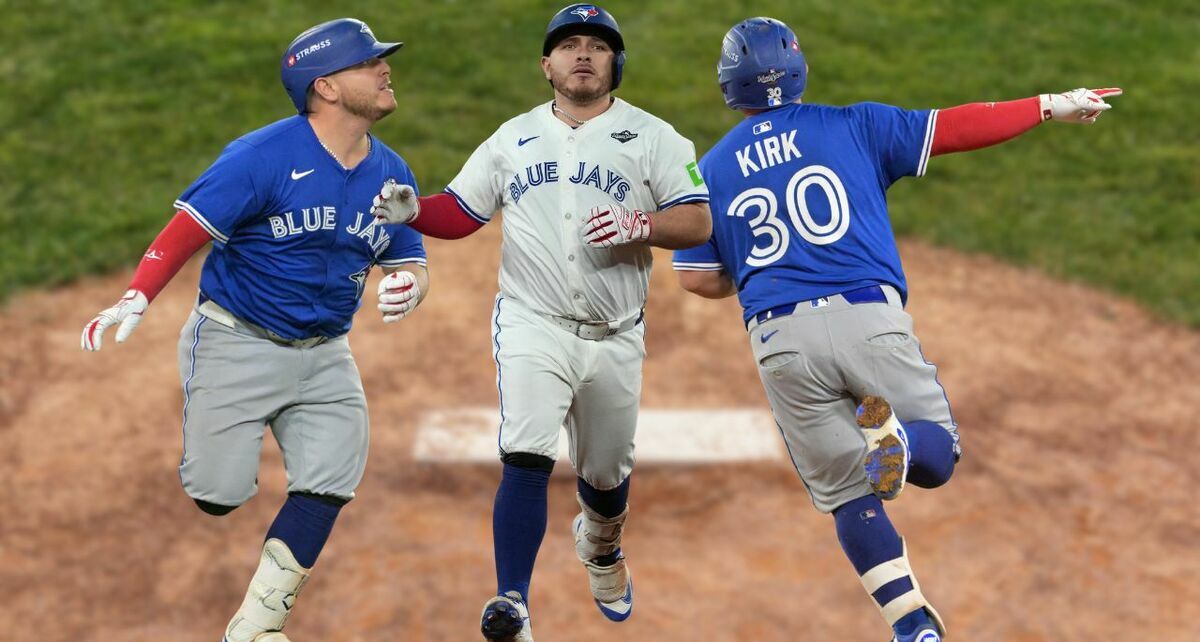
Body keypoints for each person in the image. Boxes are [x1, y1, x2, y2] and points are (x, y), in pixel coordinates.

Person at [672, 16, 1120, 642]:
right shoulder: (856, 124)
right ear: (797, 69)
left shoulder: (708, 169)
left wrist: (754, 270)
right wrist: (1052, 105)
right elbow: (956, 128)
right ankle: (901, 441)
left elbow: (697, 276)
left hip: (780, 345)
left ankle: (911, 625)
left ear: (730, 85)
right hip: (867, 320)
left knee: (848, 497)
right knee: (937, 458)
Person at [80, 18, 429, 642]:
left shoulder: (390, 169)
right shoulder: (261, 157)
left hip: (326, 352)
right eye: (368, 63)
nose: (385, 70)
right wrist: (138, 294)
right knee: (218, 495)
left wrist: (409, 283)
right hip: (237, 341)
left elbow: (405, 254)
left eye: (382, 60)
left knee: (332, 477)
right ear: (324, 86)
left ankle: (257, 626)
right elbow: (187, 230)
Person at [370, 4, 710, 640]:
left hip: (615, 334)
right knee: (525, 453)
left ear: (616, 63)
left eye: (598, 47)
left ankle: (601, 548)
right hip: (533, 322)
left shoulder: (657, 138)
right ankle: (512, 603)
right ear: (546, 65)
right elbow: (463, 213)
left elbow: (698, 220)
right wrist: (415, 210)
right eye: (570, 45)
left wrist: (644, 224)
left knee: (605, 476)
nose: (584, 55)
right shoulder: (511, 138)